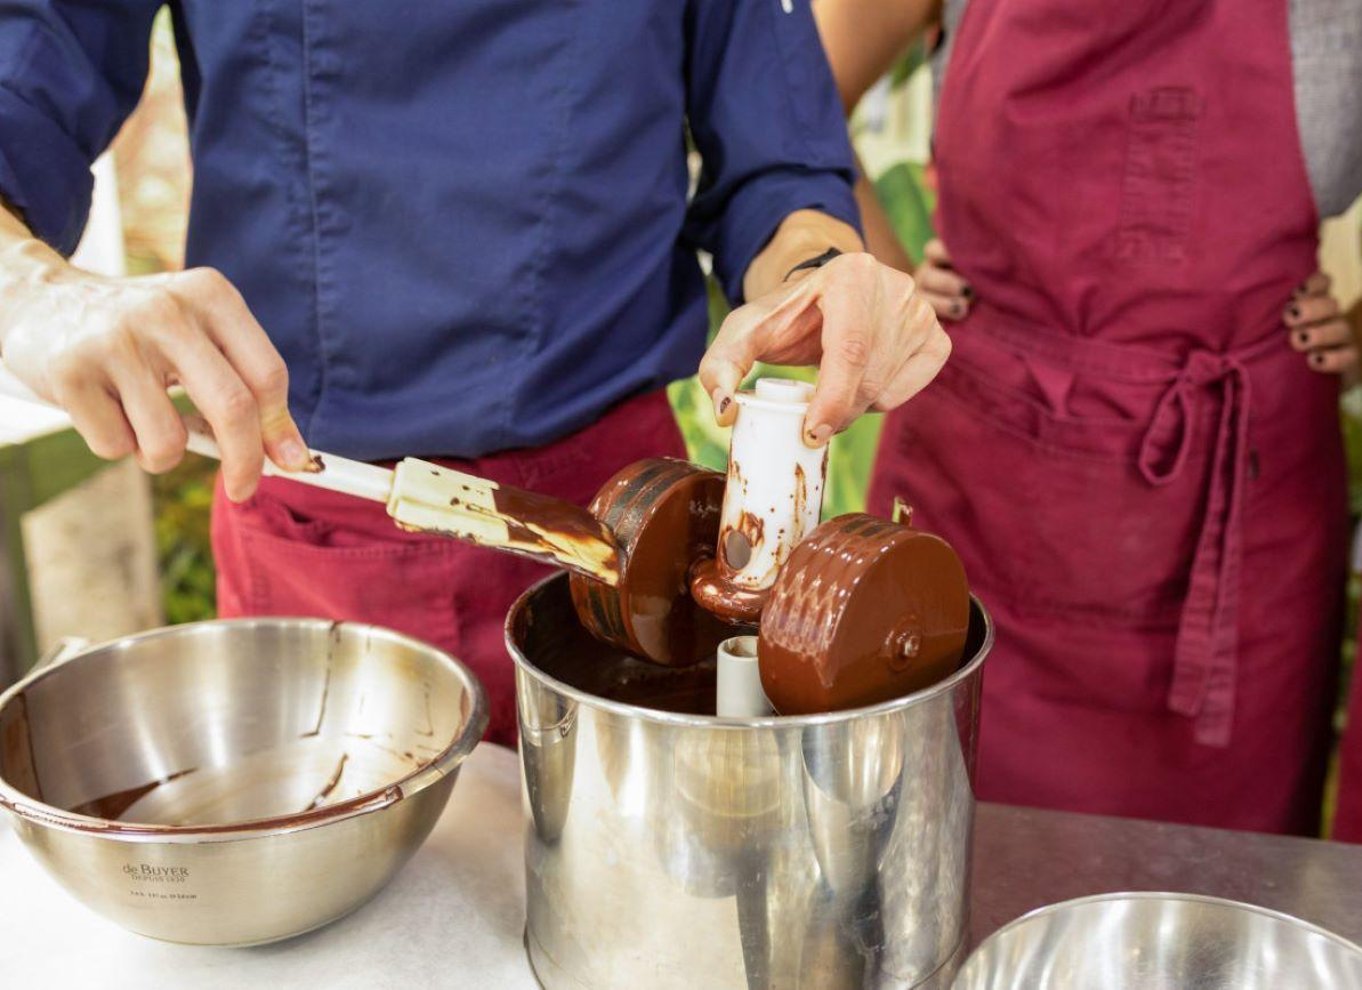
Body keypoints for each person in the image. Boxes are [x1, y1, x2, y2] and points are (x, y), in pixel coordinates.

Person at [0, 2, 948, 745]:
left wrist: (819, 273)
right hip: (323, 527)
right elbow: (24, 74)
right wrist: (27, 286)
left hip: (632, 545)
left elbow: (780, 168)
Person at [817, 0, 1362, 833]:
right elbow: (799, 94)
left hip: (1248, 532)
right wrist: (885, 278)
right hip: (981, 503)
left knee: (1220, 889)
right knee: (949, 860)